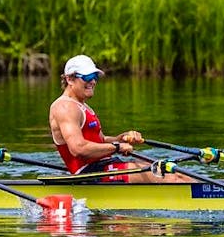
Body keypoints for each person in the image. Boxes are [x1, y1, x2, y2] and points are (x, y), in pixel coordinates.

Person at [49, 54, 192, 183]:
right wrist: (117, 147)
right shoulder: (65, 107)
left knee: (176, 173)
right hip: (89, 174)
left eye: (95, 77)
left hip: (104, 166)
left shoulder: (82, 106)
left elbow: (100, 140)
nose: (93, 81)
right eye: (87, 77)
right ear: (69, 79)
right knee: (172, 178)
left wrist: (120, 139)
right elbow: (78, 149)